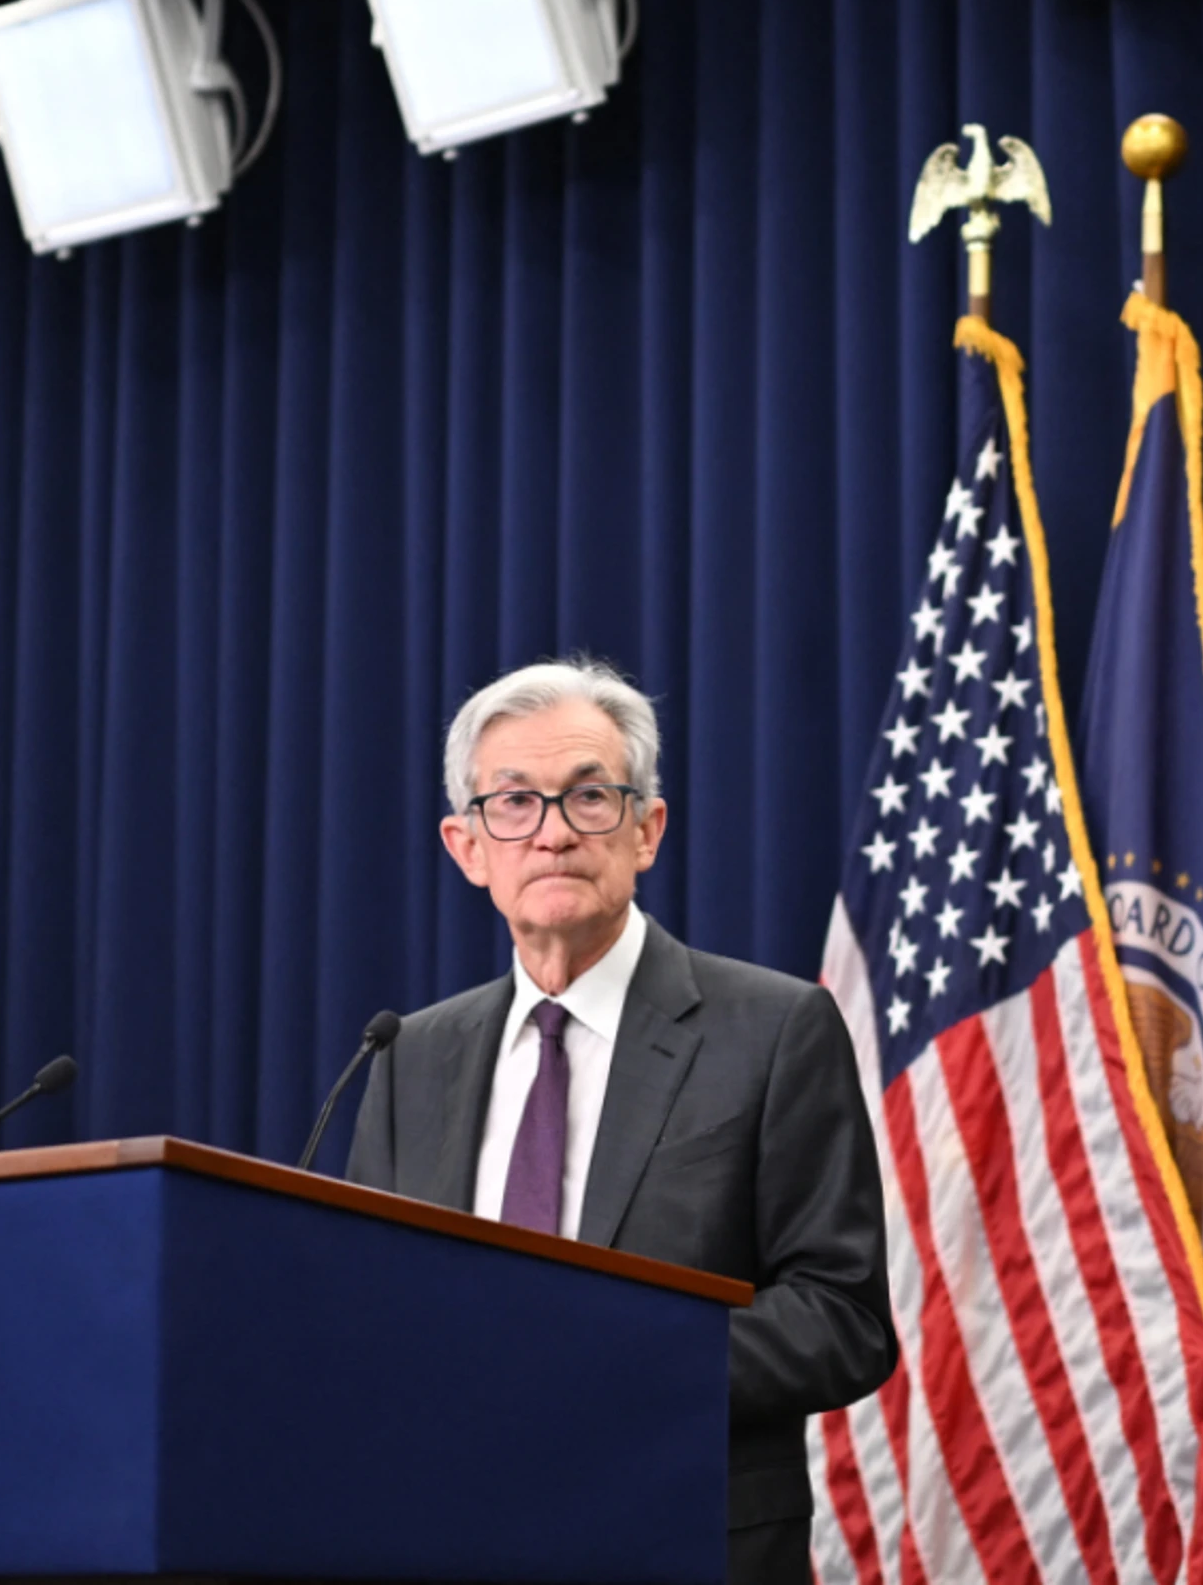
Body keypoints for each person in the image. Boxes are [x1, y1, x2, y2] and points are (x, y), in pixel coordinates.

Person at [346, 658, 894, 1583]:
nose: (553, 831)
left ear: (647, 829)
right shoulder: (409, 1056)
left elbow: (842, 1317)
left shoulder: (773, 1029)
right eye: (514, 802)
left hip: (686, 1539)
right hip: (455, 1538)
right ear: (467, 846)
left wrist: (615, 1362)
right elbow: (367, 1309)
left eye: (589, 796)